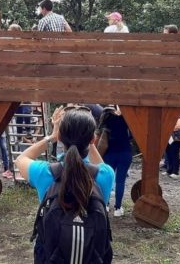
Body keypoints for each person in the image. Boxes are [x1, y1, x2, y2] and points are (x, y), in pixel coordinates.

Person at [15, 106, 114, 263]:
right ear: (92, 140)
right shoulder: (105, 175)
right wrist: (89, 138)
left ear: (61, 137)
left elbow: (20, 159)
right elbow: (100, 165)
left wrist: (52, 136)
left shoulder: (45, 172)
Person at [98, 105, 132, 217]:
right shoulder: (128, 119)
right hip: (125, 153)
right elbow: (131, 136)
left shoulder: (107, 119)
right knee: (120, 181)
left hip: (109, 154)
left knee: (108, 180)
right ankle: (118, 208)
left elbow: (100, 133)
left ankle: (106, 205)